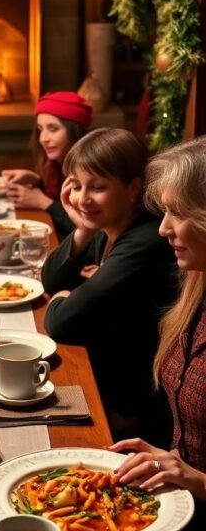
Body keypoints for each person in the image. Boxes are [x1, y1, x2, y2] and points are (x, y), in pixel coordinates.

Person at [41, 127, 177, 444]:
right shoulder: (109, 224)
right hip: (104, 372)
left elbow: (60, 322)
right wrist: (82, 231)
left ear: (133, 188)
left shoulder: (144, 241)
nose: (82, 198)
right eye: (75, 185)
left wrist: (64, 298)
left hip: (133, 406)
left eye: (97, 187)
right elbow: (50, 280)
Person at [110, 136, 206, 494]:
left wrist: (193, 479)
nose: (163, 228)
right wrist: (165, 460)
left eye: (177, 212)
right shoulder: (195, 287)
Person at [2, 91, 93, 239]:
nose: (43, 138)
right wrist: (36, 181)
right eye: (40, 130)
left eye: (53, 129)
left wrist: (43, 202)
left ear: (74, 131)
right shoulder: (55, 166)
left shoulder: (91, 170)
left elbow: (90, 230)